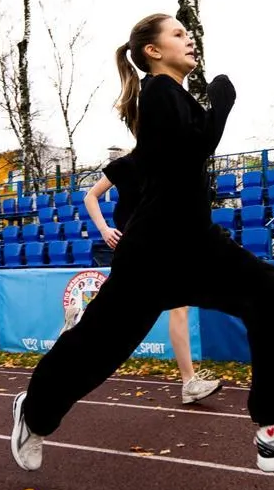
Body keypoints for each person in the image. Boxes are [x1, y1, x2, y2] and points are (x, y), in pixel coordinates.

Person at [10, 15, 274, 474]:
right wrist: (222, 102)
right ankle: (34, 412)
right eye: (179, 34)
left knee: (272, 295)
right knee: (100, 349)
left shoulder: (173, 100)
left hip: (194, 241)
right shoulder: (158, 91)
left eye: (189, 33)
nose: (190, 40)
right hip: (154, 251)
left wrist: (168, 143)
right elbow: (194, 147)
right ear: (153, 51)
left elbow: (166, 154)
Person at [82, 154, 221, 405]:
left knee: (180, 306)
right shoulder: (124, 165)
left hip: (161, 246)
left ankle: (189, 383)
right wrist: (104, 229)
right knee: (117, 312)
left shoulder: (167, 165)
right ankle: (79, 321)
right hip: (133, 246)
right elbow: (90, 196)